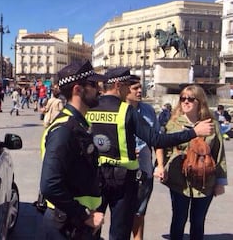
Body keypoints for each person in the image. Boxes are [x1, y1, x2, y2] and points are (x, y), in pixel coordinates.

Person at [86, 67, 214, 240]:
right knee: (119, 231)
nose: (128, 90)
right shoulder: (126, 111)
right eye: (126, 86)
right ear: (117, 86)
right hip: (123, 181)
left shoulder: (89, 108)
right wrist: (193, 132)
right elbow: (156, 140)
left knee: (92, 226)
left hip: (94, 178)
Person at [39, 60, 106, 239]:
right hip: (68, 225)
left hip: (77, 221)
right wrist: (83, 214)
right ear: (77, 89)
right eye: (93, 85)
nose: (99, 89)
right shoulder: (64, 130)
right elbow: (49, 185)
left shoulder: (78, 124)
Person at [155, 85, 228, 240]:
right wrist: (162, 167)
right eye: (182, 98)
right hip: (179, 181)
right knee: (178, 219)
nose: (185, 102)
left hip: (204, 181)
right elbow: (163, 147)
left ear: (200, 102)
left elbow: (219, 153)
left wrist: (220, 182)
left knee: (198, 222)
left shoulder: (212, 124)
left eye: (190, 99)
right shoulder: (173, 123)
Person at [125, 75, 165, 240]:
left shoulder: (148, 110)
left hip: (144, 168)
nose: (140, 91)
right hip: (121, 169)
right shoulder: (117, 109)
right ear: (124, 89)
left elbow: (157, 139)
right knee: (120, 211)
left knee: (139, 211)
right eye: (135, 88)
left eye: (140, 87)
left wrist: (160, 165)